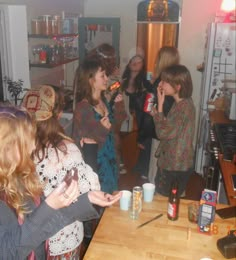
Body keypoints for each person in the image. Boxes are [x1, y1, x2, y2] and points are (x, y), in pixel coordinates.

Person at [0, 105, 121, 259]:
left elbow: (47, 224)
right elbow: (8, 252)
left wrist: (88, 198)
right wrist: (48, 206)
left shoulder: (19, 179)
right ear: (6, 148)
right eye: (27, 141)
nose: (32, 146)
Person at [22, 85, 101, 259]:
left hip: (30, 242)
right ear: (57, 116)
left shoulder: (18, 150)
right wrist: (88, 153)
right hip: (62, 239)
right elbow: (89, 190)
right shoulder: (66, 150)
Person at [73, 57, 125, 194]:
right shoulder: (83, 108)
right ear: (91, 81)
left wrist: (119, 107)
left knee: (111, 203)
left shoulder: (102, 101)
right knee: (101, 206)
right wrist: (102, 129)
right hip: (97, 166)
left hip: (110, 160)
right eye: (102, 75)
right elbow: (83, 144)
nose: (107, 78)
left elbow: (115, 129)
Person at [150, 64, 195, 197]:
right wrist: (157, 115)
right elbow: (170, 128)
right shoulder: (182, 103)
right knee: (174, 199)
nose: (161, 84)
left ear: (178, 86)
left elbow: (163, 133)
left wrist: (159, 108)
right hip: (176, 162)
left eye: (165, 82)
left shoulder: (183, 107)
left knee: (164, 200)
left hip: (174, 165)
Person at [147, 46, 180, 183]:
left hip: (162, 127)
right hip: (172, 127)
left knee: (156, 166)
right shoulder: (177, 78)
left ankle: (153, 195)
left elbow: (157, 106)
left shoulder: (162, 81)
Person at [121, 54, 152, 179]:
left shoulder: (145, 80)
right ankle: (133, 164)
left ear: (142, 66)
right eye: (133, 61)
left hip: (144, 114)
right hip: (131, 113)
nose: (135, 63)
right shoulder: (124, 79)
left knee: (144, 140)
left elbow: (149, 94)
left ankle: (144, 168)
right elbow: (118, 89)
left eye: (139, 62)